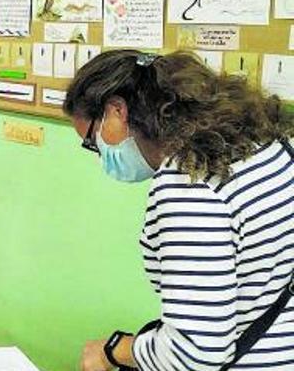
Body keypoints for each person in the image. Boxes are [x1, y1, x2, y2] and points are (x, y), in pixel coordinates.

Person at [65, 50, 294, 371]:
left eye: (93, 141)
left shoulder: (190, 185)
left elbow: (194, 353)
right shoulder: (263, 141)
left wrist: (114, 349)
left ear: (116, 110)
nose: (99, 156)